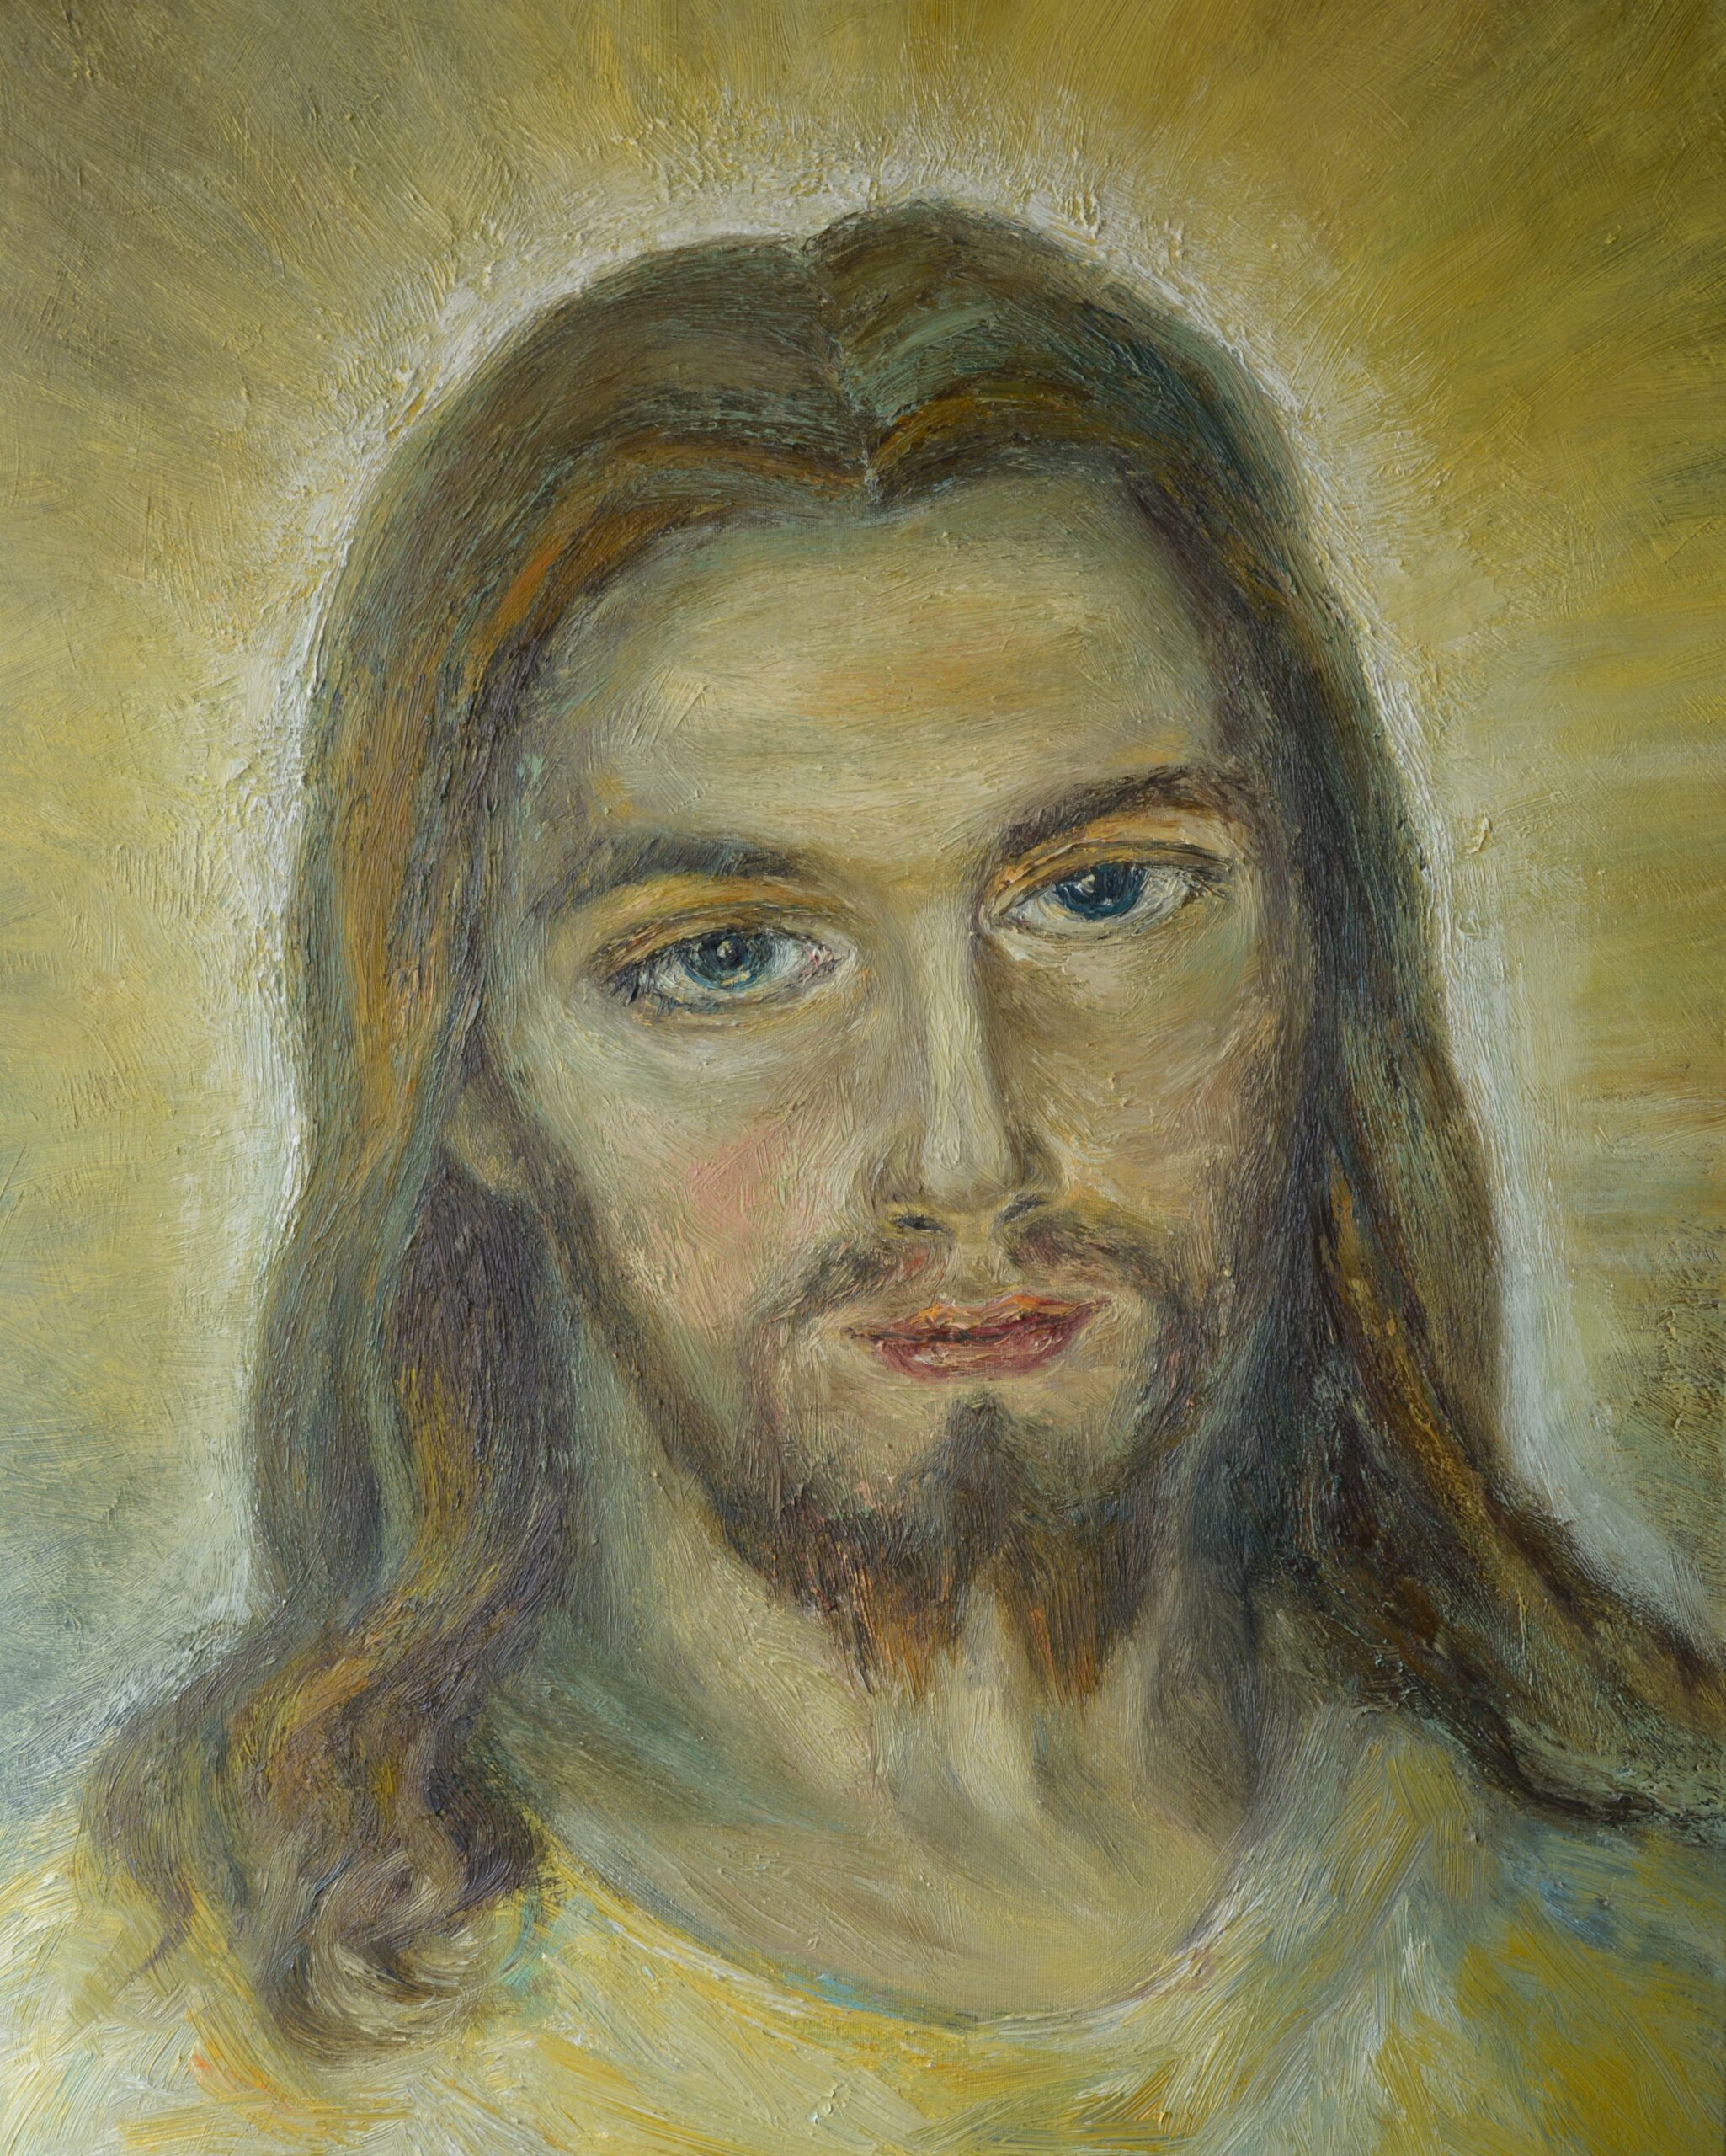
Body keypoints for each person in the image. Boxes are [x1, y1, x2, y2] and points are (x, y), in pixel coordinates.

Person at [3, 203, 1721, 2155]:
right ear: (468, 1072)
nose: (963, 1151)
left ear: (1319, 953)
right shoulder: (142, 2061)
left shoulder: (1645, 1969)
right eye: (728, 957)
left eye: (1101, 894)